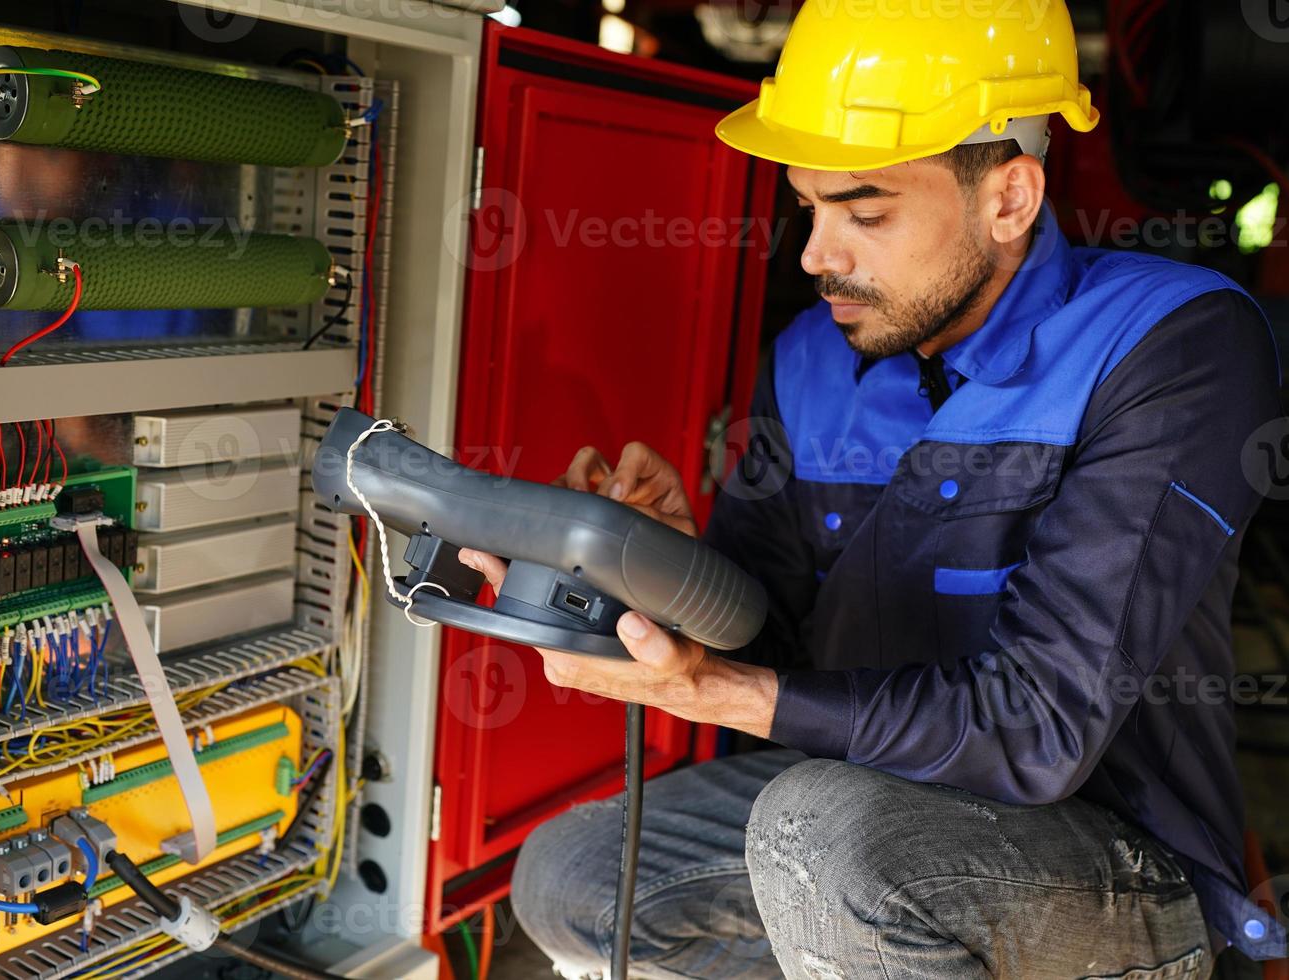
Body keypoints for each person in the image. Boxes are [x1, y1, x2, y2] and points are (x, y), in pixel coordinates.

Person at [459, 1, 1288, 976]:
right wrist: (664, 569)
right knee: (572, 872)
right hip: (855, 819)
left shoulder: (1168, 345)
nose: (816, 255)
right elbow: (767, 629)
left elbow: (1040, 729)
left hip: (1112, 856)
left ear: (1010, 199)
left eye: (865, 212)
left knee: (829, 840)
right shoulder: (815, 356)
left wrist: (720, 688)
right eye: (810, 207)